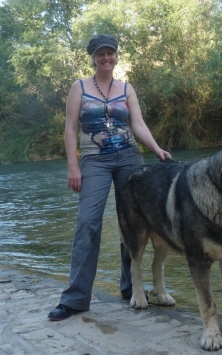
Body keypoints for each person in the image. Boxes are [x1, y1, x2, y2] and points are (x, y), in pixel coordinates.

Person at [48, 34, 171, 321]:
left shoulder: (127, 88)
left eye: (111, 53)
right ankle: (76, 298)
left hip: (129, 157)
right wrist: (73, 166)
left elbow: (137, 124)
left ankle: (132, 289)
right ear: (93, 57)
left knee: (135, 223)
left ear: (116, 56)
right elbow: (70, 129)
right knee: (88, 222)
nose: (106, 58)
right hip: (94, 161)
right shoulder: (79, 88)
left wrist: (155, 148)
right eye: (101, 54)